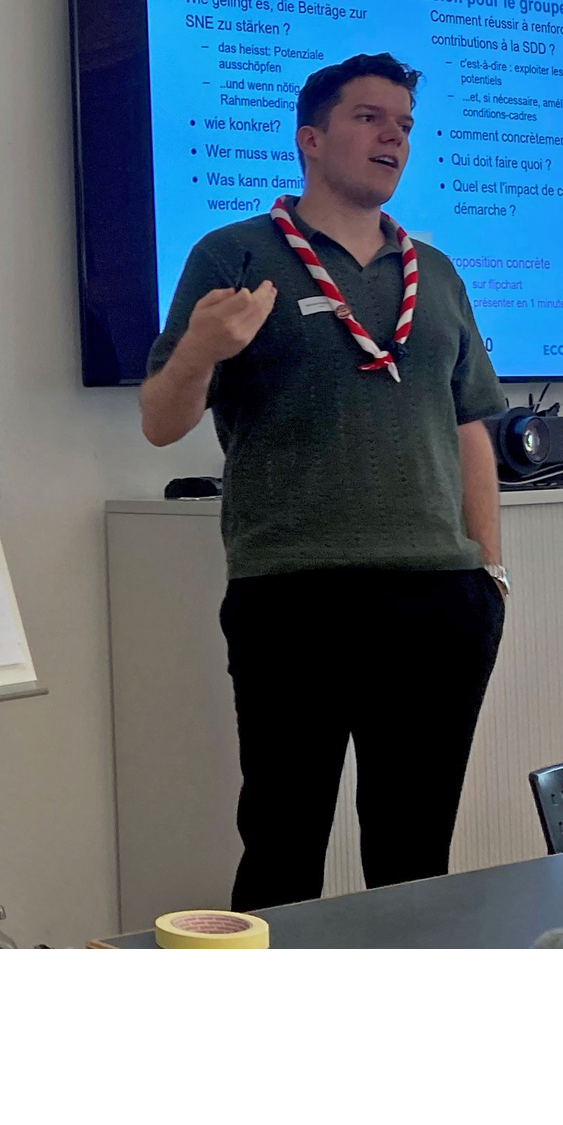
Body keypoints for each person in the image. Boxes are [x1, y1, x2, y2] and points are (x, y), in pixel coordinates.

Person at [141, 54, 508, 911]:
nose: (394, 136)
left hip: (438, 600)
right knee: (282, 844)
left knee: (415, 850)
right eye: (370, 118)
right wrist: (201, 349)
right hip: (293, 596)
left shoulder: (438, 271)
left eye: (406, 125)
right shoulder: (234, 254)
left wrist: (488, 571)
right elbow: (162, 420)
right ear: (310, 139)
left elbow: (470, 427)